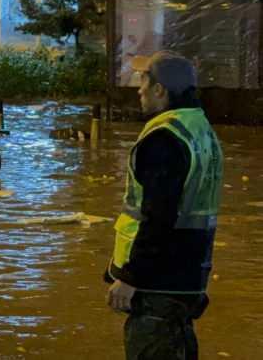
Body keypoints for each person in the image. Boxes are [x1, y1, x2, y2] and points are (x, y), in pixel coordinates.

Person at [105, 50, 223, 360]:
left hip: (158, 284)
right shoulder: (201, 131)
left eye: (144, 81)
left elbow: (158, 217)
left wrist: (130, 278)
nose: (139, 90)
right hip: (188, 279)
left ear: (161, 90)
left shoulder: (165, 137)